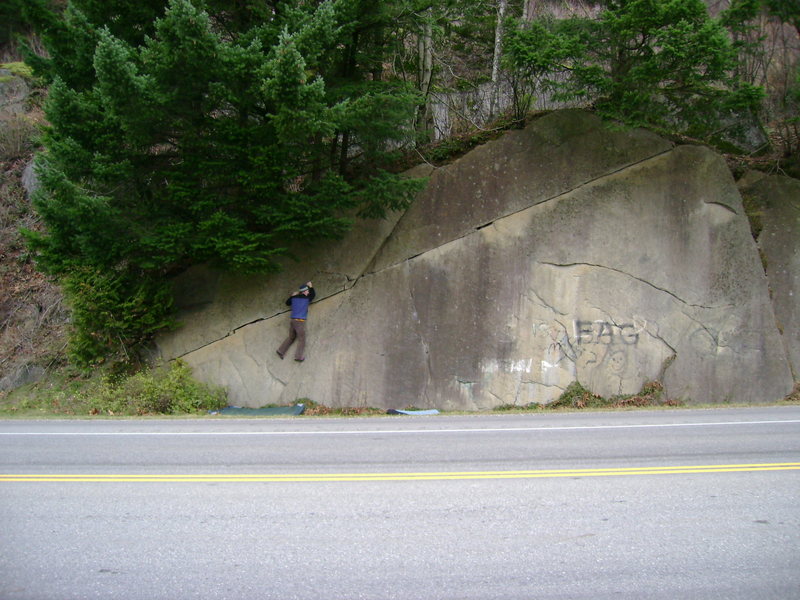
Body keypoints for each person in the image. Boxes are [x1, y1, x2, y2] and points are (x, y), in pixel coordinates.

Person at [276, 281, 315, 362]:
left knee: (291, 337)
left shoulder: (294, 298)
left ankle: (280, 351)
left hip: (293, 320)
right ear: (304, 292)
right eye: (307, 291)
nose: (308, 292)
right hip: (299, 321)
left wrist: (293, 296)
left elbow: (287, 303)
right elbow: (313, 295)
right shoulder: (306, 298)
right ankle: (298, 356)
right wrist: (311, 287)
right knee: (302, 339)